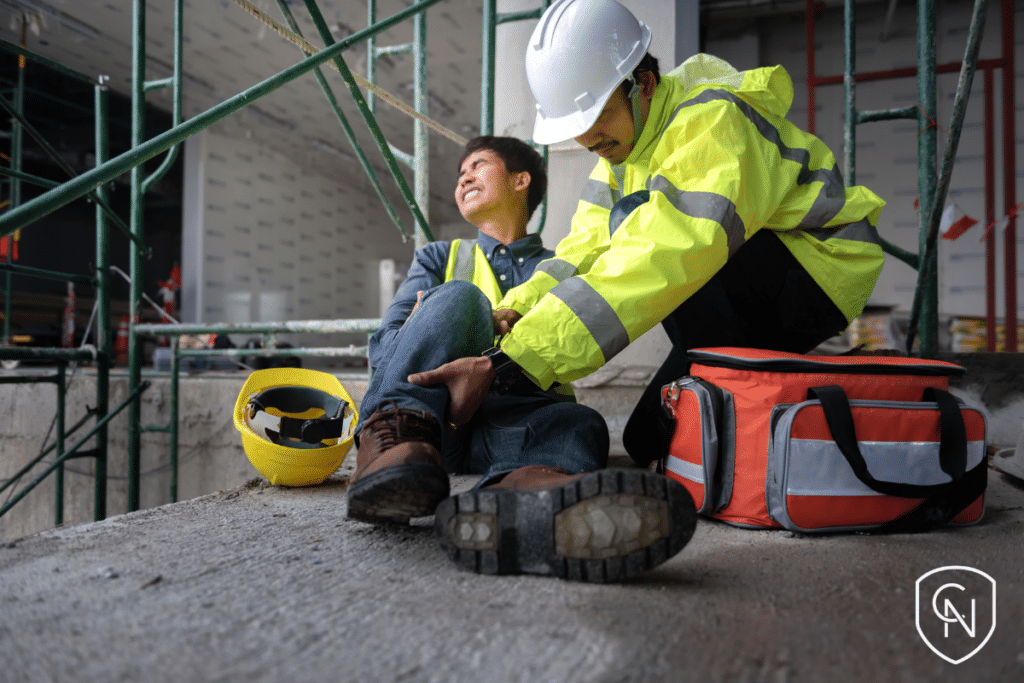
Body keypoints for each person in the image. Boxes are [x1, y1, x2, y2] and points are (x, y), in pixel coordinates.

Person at [414, 0, 887, 469]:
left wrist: (516, 360)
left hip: (816, 271)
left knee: (636, 222)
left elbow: (667, 254)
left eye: (597, 115)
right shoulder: (619, 159)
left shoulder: (713, 121)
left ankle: (788, 397)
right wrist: (515, 308)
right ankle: (767, 393)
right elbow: (582, 252)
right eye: (577, 126)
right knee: (648, 442)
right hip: (738, 280)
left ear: (642, 83)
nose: (589, 138)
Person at [348, 135, 697, 583]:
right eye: (460, 175)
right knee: (461, 299)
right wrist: (473, 321)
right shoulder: (440, 257)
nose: (464, 178)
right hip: (432, 427)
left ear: (521, 180)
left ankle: (522, 494)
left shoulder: (562, 267)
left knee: (578, 421)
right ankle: (390, 447)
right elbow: (385, 344)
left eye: (477, 165)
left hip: (514, 427)